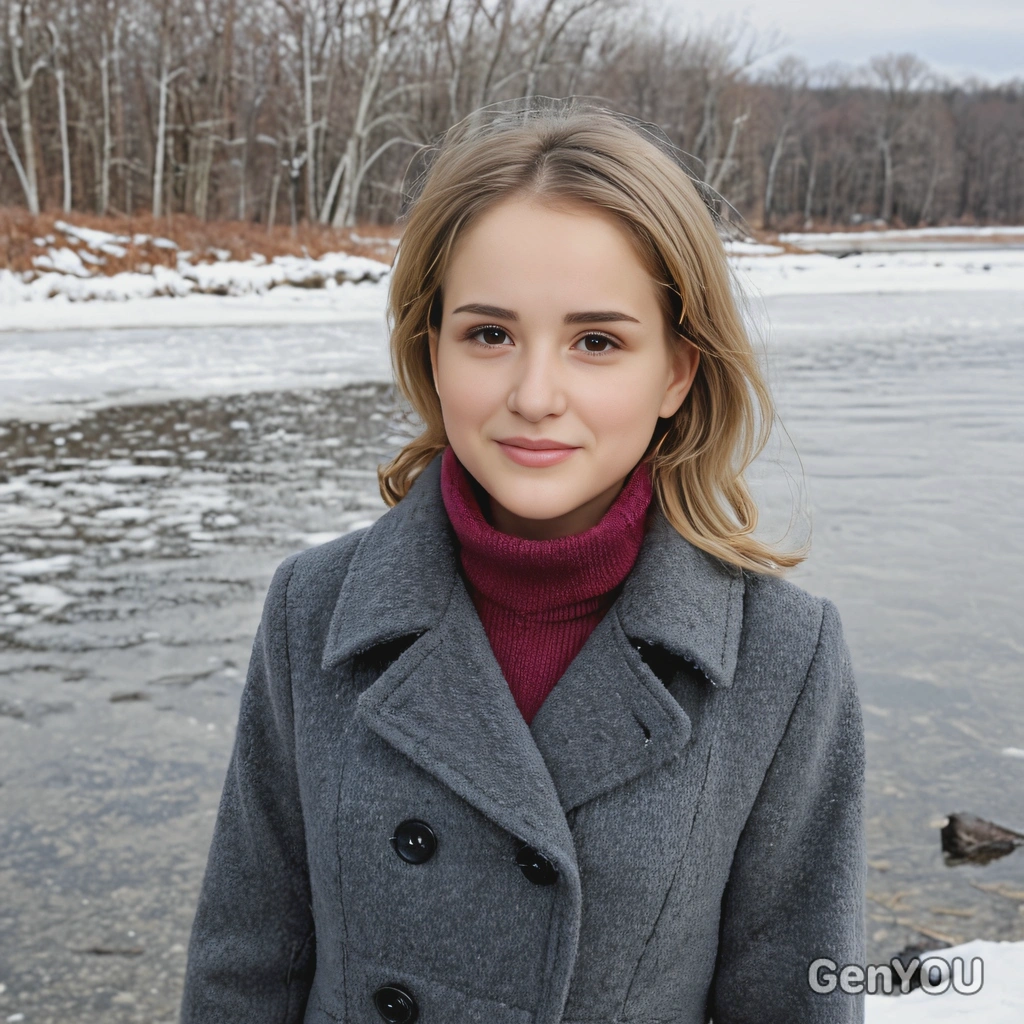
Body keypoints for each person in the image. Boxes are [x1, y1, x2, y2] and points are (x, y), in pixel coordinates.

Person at [179, 101, 866, 1024]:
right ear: (433, 351)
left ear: (676, 371)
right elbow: (244, 963)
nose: (534, 395)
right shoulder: (315, 609)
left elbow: (800, 995)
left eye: (597, 342)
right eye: (490, 334)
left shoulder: (783, 655)